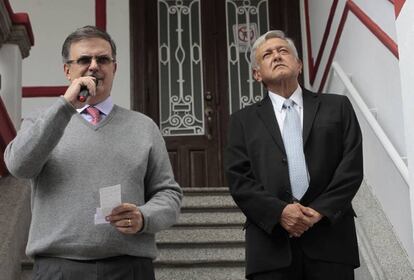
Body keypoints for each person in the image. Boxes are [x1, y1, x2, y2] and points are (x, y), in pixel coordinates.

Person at [4, 25, 182, 280]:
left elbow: (169, 194)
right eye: (84, 60)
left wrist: (144, 217)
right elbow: (18, 166)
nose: (94, 66)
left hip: (130, 268)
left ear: (114, 68)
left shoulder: (144, 127)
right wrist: (66, 106)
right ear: (67, 70)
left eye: (103, 59)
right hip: (58, 268)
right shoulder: (39, 122)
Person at [225, 30, 363, 280]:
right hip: (270, 245)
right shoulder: (242, 121)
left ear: (298, 65)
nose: (276, 56)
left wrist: (319, 211)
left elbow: (351, 167)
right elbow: (239, 179)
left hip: (330, 240)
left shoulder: (338, 107)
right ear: (257, 74)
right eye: (267, 54)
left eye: (283, 51)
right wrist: (280, 212)